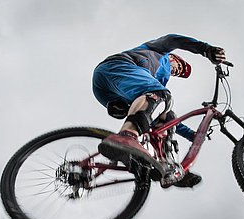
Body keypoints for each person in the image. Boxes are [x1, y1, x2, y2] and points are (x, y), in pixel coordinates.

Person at [92, 34, 226, 187]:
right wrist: (205, 49)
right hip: (117, 67)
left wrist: (190, 134)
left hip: (114, 94)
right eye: (179, 65)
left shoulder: (158, 80)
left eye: (179, 72)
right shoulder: (159, 51)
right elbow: (173, 39)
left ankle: (165, 165)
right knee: (160, 96)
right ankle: (127, 135)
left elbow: (162, 114)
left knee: (166, 116)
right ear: (173, 58)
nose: (177, 70)